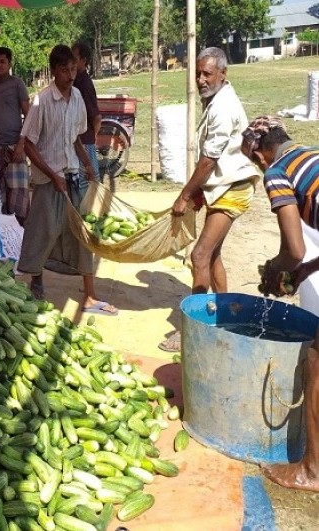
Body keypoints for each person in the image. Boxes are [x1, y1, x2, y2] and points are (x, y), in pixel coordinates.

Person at [159, 47, 259, 352]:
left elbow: (207, 160)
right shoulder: (215, 101)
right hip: (224, 185)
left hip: (234, 188)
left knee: (199, 256)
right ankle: (225, 319)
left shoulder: (222, 107)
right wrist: (202, 191)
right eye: (198, 73)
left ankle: (195, 330)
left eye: (207, 73)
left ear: (222, 74)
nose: (201, 79)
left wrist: (185, 194)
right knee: (213, 255)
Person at [241, 115, 319, 492]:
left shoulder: (277, 171)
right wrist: (305, 272)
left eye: (252, 159)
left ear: (259, 150)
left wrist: (277, 270)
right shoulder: (310, 156)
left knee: (317, 360)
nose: (257, 167)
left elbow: (294, 248)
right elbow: (304, 257)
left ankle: (312, 470)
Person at [17, 45, 117, 316]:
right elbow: (28, 145)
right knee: (43, 232)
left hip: (73, 175)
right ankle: (36, 279)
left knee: (83, 236)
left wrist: (87, 163)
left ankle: (89, 296)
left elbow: (75, 138)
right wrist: (52, 175)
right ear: (54, 71)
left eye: (73, 69)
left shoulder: (77, 99)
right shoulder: (42, 101)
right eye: (65, 70)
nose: (71, 75)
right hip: (48, 180)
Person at [0, 47, 31, 225]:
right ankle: (5, 234)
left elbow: (29, 116)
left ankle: (21, 236)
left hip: (15, 147)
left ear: (9, 64)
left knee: (19, 195)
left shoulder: (18, 84)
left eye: (3, 62)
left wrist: (21, 144)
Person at [71, 41, 101, 181]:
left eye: (75, 59)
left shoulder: (84, 84)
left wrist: (92, 135)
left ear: (84, 61)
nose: (71, 63)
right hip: (75, 141)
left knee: (88, 185)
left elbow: (96, 118)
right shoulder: (74, 82)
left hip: (85, 141)